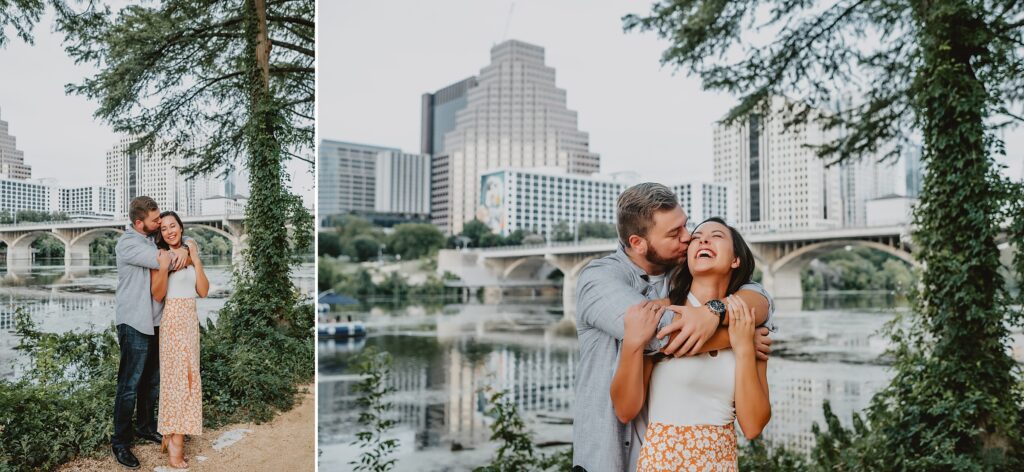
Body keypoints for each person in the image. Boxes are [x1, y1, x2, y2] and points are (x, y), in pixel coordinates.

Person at [572, 183, 775, 472]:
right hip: (609, 458)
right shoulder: (600, 280)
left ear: (735, 259)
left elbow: (761, 297)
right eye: (674, 233)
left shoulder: (679, 276)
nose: (689, 237)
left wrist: (715, 312)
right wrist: (738, 337)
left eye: (685, 226)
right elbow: (661, 335)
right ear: (638, 243)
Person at [611, 217, 772, 471]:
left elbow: (753, 427)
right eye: (697, 238)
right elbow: (624, 410)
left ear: (735, 259)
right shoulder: (661, 314)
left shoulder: (746, 324)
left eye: (716, 236)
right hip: (662, 464)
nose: (703, 240)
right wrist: (633, 343)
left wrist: (743, 349)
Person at [112, 196, 189, 469]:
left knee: (152, 382)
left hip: (157, 322)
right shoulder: (128, 244)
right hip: (134, 322)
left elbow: (178, 246)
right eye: (155, 220)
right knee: (129, 386)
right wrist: (183, 252)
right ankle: (120, 442)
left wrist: (186, 248)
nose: (159, 223)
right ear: (138, 223)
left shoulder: (152, 238)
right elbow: (166, 260)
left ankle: (145, 427)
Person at [150, 211, 209, 469]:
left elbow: (203, 291)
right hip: (173, 321)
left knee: (190, 379)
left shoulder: (190, 250)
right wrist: (165, 267)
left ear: (181, 227)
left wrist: (194, 257)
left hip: (190, 321)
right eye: (163, 229)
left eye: (172, 226)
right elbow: (157, 295)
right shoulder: (161, 256)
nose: (169, 231)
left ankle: (171, 434)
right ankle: (176, 444)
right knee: (175, 382)